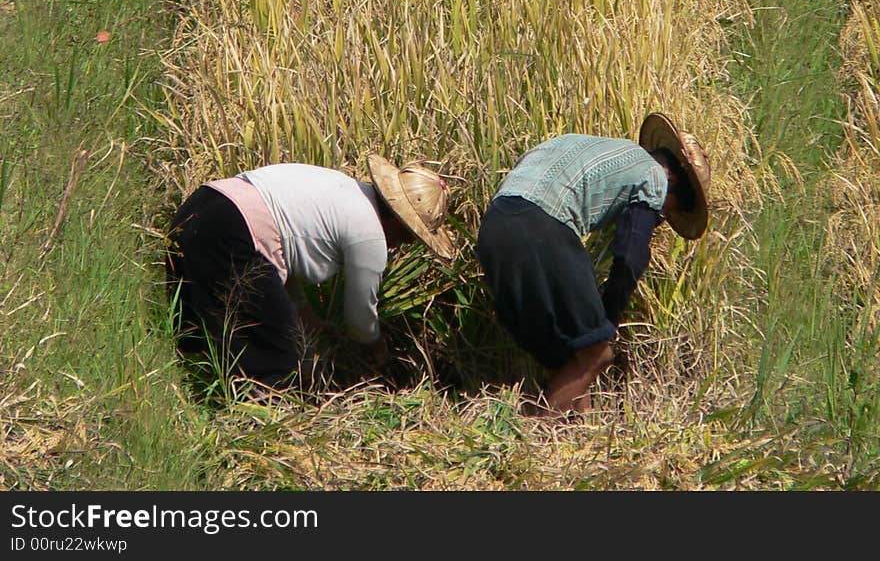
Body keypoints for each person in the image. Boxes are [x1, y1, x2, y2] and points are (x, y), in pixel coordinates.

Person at [476, 112, 710, 418]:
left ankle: (581, 434)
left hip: (494, 228)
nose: (660, 220)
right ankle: (540, 443)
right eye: (666, 212)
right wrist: (608, 318)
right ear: (674, 180)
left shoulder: (582, 144)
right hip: (540, 228)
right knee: (597, 353)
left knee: (573, 357)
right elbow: (630, 254)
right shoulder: (654, 176)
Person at [165, 154, 455, 396]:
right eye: (407, 239)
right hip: (232, 231)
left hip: (203, 205)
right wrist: (379, 350)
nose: (399, 247)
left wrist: (305, 314)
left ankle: (186, 397)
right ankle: (260, 437)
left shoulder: (346, 189)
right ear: (399, 224)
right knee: (282, 359)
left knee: (196, 336)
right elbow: (360, 319)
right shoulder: (370, 237)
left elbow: (280, 245)